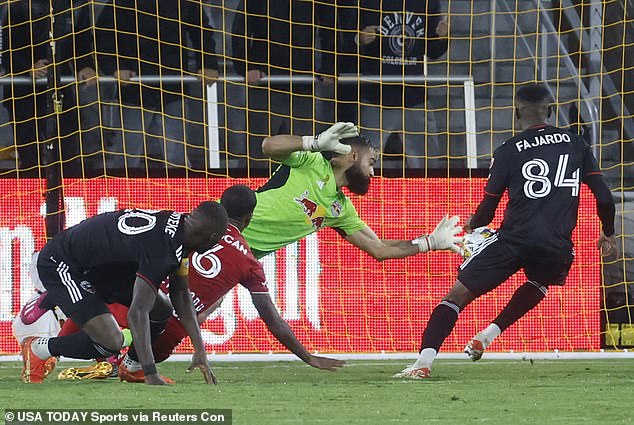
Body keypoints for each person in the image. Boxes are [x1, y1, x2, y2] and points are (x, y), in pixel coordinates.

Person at [394, 83, 617, 379]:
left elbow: (487, 212)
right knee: (540, 281)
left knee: (455, 298)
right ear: (550, 111)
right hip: (556, 244)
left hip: (513, 240)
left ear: (516, 113)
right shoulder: (577, 143)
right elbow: (604, 196)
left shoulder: (508, 150)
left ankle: (423, 363)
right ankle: (488, 334)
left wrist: (471, 227)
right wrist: (608, 231)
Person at [116, 184, 345, 382]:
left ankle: (116, 344)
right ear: (249, 218)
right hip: (163, 337)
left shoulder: (185, 224)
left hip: (128, 303)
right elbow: (272, 319)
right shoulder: (248, 261)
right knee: (209, 299)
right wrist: (308, 356)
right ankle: (127, 357)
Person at [20, 201, 229, 385]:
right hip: (63, 264)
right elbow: (137, 313)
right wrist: (151, 373)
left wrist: (199, 349)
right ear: (211, 237)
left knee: (162, 308)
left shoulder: (181, 230)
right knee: (110, 342)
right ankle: (39, 349)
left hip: (104, 267)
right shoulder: (162, 250)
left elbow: (181, 295)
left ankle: (131, 367)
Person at [243, 121, 462, 260]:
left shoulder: (341, 210)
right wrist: (314, 143)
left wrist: (429, 242)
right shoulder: (311, 161)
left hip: (242, 258)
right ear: (354, 157)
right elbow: (268, 147)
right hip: (226, 232)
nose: (373, 172)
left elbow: (379, 249)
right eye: (371, 162)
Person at [95, 0, 219, 171]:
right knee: (125, 157)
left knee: (176, 158)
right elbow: (104, 35)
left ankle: (181, 196)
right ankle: (122, 196)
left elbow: (201, 31)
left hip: (172, 86)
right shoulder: (121, 3)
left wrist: (208, 64)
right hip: (134, 88)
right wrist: (114, 67)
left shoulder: (185, 3)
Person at [230, 0, 336, 167]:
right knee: (259, 154)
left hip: (301, 85)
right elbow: (240, 27)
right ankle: (257, 191)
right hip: (265, 84)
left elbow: (330, 27)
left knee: (304, 153)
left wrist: (330, 66)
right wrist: (246, 66)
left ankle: (302, 193)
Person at [356, 0, 448, 169]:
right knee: (364, 167)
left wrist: (443, 38)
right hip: (377, 98)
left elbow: (433, 50)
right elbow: (348, 38)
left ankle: (424, 196)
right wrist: (359, 39)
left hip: (414, 98)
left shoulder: (428, 4)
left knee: (428, 168)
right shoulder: (369, 3)